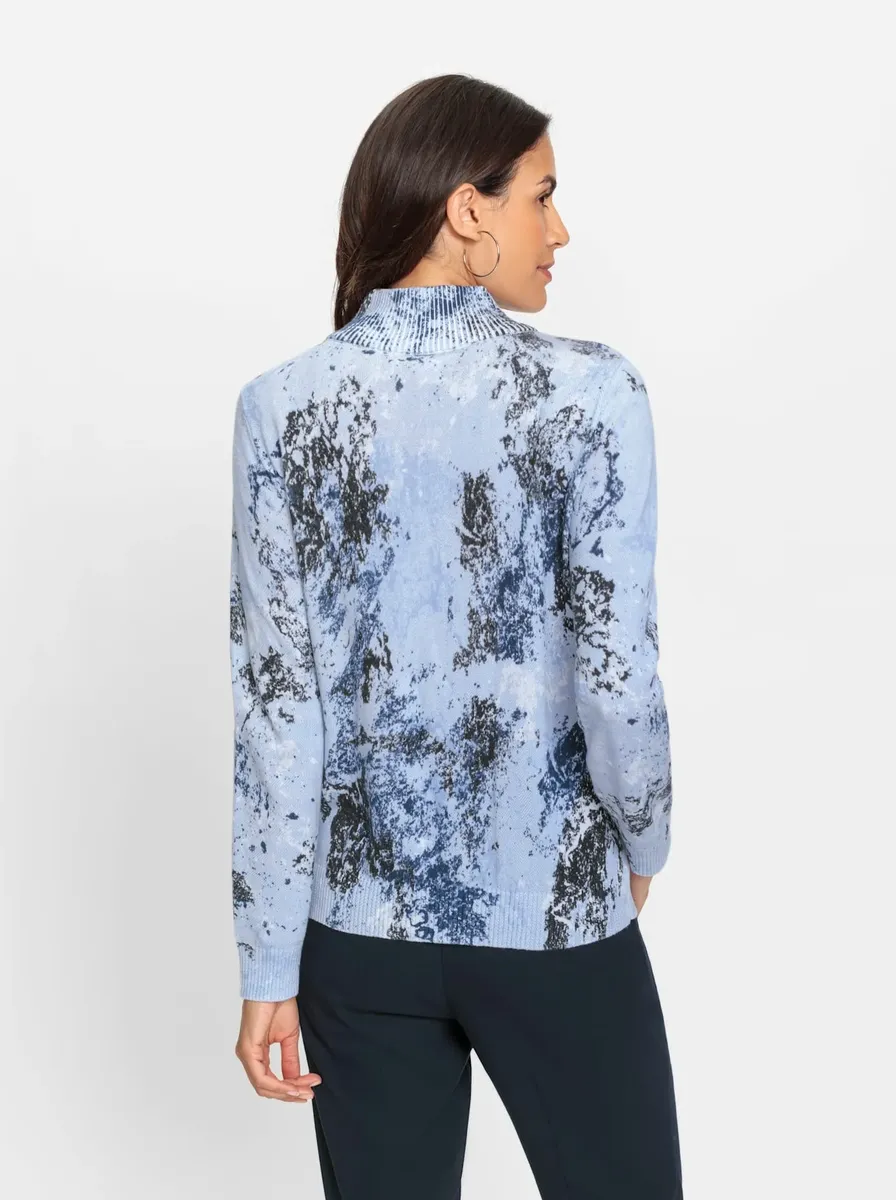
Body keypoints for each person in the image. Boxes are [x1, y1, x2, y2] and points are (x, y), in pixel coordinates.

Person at [229, 73, 682, 1200]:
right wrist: (644, 841)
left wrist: (269, 959)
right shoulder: (590, 395)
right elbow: (617, 674)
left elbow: (278, 708)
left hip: (356, 938)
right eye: (542, 196)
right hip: (553, 916)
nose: (559, 231)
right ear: (467, 210)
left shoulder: (281, 407)